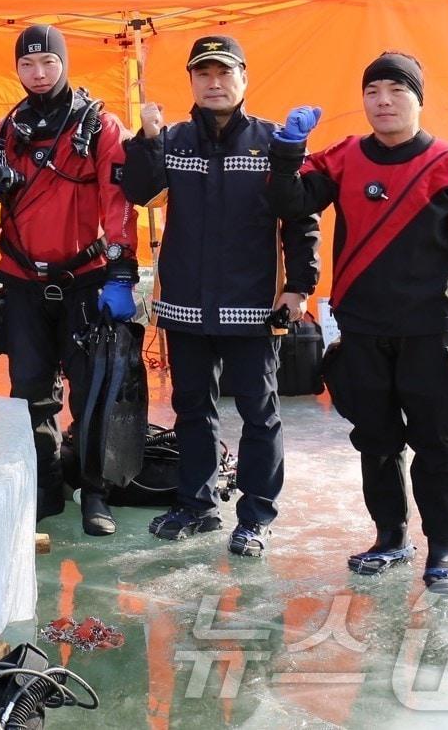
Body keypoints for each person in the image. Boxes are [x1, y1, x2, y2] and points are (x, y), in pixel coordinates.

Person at [266, 51, 448, 593]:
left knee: (440, 446)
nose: (384, 101)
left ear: (419, 99)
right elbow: (290, 201)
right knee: (375, 441)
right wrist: (287, 151)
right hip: (362, 330)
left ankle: (444, 551)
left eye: (397, 90)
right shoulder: (345, 156)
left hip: (431, 332)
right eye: (372, 91)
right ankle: (390, 538)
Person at [122, 36, 320, 557]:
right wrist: (147, 139)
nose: (214, 83)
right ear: (191, 81)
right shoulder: (173, 139)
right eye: (203, 74)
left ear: (243, 78)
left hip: (254, 306)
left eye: (224, 73)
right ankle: (196, 505)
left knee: (259, 413)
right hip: (186, 305)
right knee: (192, 410)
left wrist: (299, 286)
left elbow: (300, 219)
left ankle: (255, 516)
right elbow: (139, 193)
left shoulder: (274, 142)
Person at [0, 25, 136, 536]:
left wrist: (121, 271)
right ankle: (45, 488)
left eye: (48, 62)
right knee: (29, 391)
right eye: (28, 64)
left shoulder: (99, 126)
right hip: (24, 282)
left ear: (64, 64)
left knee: (91, 390)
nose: (39, 73)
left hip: (85, 279)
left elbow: (117, 202)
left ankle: (94, 491)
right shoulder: (5, 131)